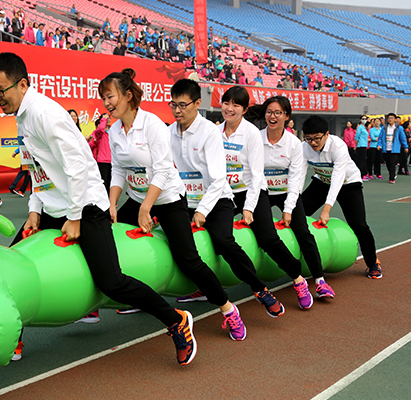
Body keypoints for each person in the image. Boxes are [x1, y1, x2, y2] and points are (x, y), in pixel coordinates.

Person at [0, 53, 197, 366]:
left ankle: (176, 320)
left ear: (22, 84)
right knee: (9, 265)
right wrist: (34, 209)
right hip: (53, 206)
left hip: (85, 206)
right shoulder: (22, 116)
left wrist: (74, 217)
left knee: (112, 282)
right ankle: (14, 334)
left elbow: (77, 168)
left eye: (0, 90)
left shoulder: (45, 114)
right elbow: (36, 169)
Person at [100, 67, 243, 343]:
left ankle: (228, 308)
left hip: (167, 199)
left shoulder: (152, 124)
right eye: (103, 98)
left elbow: (164, 171)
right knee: (107, 239)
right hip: (138, 198)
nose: (106, 103)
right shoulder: (114, 130)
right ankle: (139, 297)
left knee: (188, 261)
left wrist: (146, 208)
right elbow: (118, 169)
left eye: (110, 97)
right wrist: (112, 203)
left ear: (128, 95)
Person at [168, 79, 286, 325]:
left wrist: (203, 210)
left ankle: (259, 289)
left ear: (196, 104)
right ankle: (202, 289)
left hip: (217, 198)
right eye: (173, 105)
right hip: (187, 199)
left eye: (182, 105)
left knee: (223, 240)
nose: (177, 110)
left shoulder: (210, 132)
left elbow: (219, 178)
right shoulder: (169, 132)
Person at [218, 86, 313, 309]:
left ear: (243, 109)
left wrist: (249, 207)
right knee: (214, 234)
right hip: (225, 192)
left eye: (235, 105)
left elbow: (257, 174)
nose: (229, 108)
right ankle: (204, 286)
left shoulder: (252, 133)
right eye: (226, 103)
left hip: (252, 190)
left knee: (267, 238)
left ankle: (298, 278)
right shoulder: (215, 132)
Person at [254, 96, 335, 299]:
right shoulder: (255, 139)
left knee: (303, 233)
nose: (272, 117)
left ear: (286, 116)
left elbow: (296, 180)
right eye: (269, 112)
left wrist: (288, 209)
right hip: (261, 192)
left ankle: (320, 280)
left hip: (287, 193)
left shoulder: (294, 144)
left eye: (278, 113)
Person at [300, 115, 382, 279]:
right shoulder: (304, 147)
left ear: (326, 134)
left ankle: (373, 262)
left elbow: (338, 178)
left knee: (359, 225)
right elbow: (300, 175)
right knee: (298, 214)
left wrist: (326, 209)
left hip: (348, 184)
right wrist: (293, 203)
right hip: (322, 181)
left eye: (317, 138)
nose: (313, 143)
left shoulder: (338, 146)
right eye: (309, 139)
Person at [377, 113, 408, 184]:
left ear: (395, 119)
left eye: (392, 118)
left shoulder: (399, 128)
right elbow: (380, 137)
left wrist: (406, 146)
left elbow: (403, 138)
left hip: (394, 149)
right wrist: (379, 145)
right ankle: (392, 174)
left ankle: (391, 178)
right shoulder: (384, 128)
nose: (390, 119)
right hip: (386, 148)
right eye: (389, 118)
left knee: (392, 163)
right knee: (388, 163)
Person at [87, 113, 112, 193]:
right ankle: (103, 199)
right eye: (105, 118)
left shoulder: (112, 131)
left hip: (113, 161)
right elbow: (100, 129)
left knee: (111, 184)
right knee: (104, 183)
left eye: (109, 118)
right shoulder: (99, 132)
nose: (108, 120)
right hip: (103, 161)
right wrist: (103, 120)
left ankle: (110, 200)